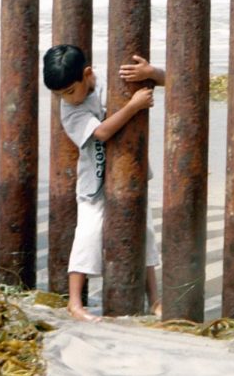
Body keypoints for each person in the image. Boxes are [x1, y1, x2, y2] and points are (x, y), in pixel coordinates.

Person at [43, 44, 165, 322]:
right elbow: (101, 132)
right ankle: (75, 303)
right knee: (86, 236)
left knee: (143, 232)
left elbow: (171, 80)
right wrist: (133, 106)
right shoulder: (69, 111)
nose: (67, 98)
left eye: (70, 91)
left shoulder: (109, 81)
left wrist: (151, 72)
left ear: (87, 74)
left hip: (131, 177)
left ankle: (154, 299)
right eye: (59, 95)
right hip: (93, 183)